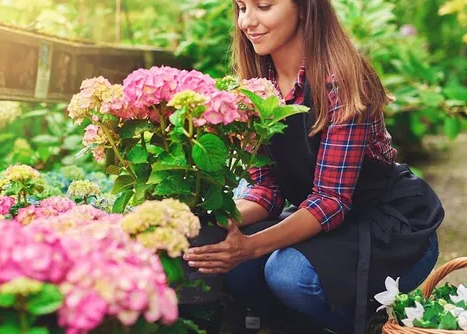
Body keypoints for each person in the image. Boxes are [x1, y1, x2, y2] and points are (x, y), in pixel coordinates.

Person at [181, 0, 444, 333]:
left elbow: (331, 201)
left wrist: (249, 247)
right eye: (241, 7)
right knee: (230, 266)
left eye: (263, 6)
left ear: (305, 8)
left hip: (390, 230)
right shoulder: (258, 87)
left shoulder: (344, 80)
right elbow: (266, 191)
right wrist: (205, 221)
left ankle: (380, 327)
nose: (247, 21)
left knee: (289, 275)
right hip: (326, 223)